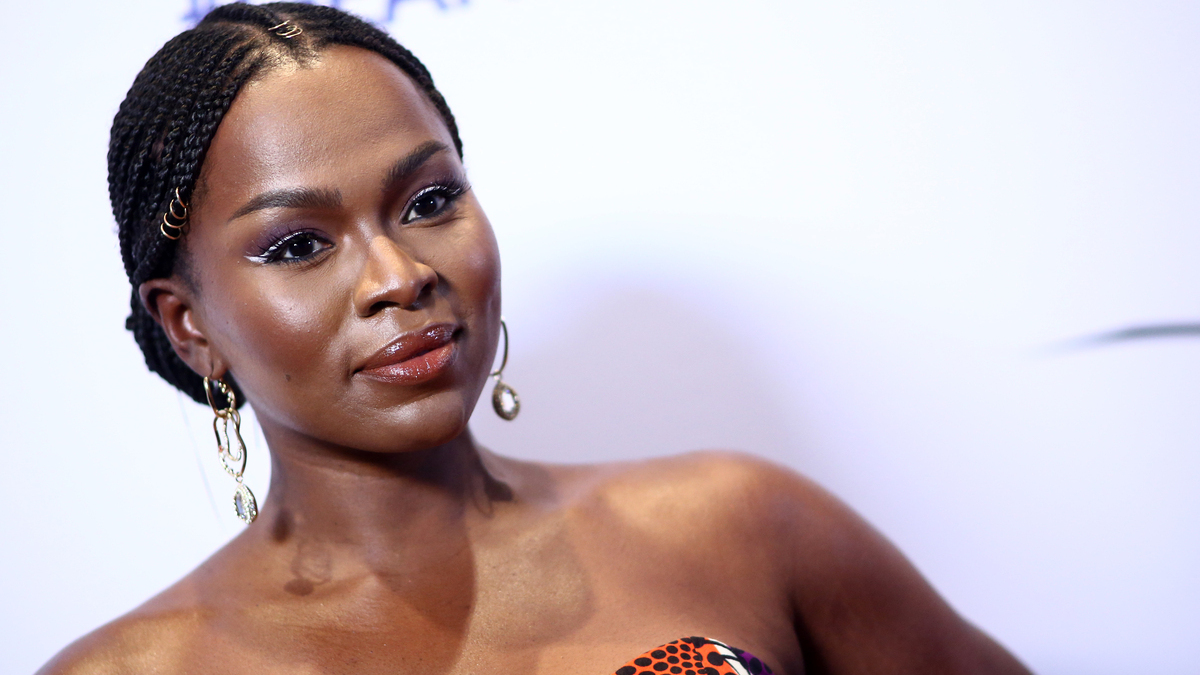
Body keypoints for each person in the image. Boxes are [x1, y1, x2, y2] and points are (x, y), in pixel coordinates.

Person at [39, 4, 1032, 674]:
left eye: (430, 201)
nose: (398, 276)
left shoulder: (739, 526)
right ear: (191, 323)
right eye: (299, 244)